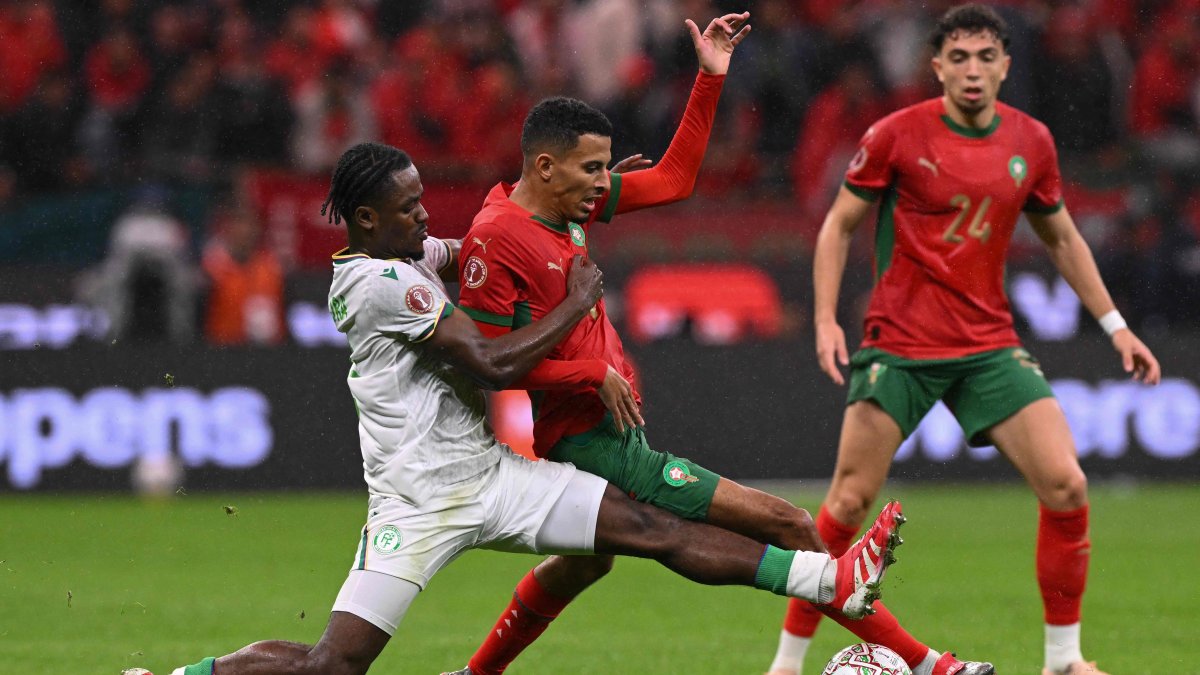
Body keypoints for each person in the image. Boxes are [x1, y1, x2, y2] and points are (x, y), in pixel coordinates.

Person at [159, 141, 906, 675]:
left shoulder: (405, 254)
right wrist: (578, 299)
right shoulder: (379, 285)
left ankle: (826, 580)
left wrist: (565, 203)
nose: (424, 219)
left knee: (648, 528)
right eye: (408, 208)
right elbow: (490, 361)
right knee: (333, 665)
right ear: (363, 219)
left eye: (422, 203)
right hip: (415, 502)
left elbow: (485, 242)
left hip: (490, 477)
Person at [443, 11, 950, 675]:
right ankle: (928, 663)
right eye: (591, 168)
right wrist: (588, 374)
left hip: (613, 430)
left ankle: (474, 673)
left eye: (604, 169)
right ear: (545, 166)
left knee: (583, 561)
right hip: (585, 438)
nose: (604, 182)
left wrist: (709, 77)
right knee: (790, 525)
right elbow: (486, 364)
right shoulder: (497, 236)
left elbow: (676, 180)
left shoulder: (567, 203)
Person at [769, 6, 1162, 675]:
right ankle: (785, 662)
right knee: (845, 504)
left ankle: (1064, 660)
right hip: (900, 343)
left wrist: (1117, 326)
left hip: (987, 345)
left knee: (1066, 483)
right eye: (959, 57)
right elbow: (838, 225)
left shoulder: (1031, 142)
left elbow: (1061, 236)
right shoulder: (896, 135)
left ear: (1006, 65)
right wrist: (827, 318)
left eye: (985, 57)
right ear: (937, 66)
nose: (973, 70)